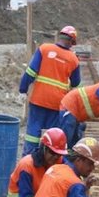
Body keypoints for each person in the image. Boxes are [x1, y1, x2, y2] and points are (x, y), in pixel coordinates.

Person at [19, 26, 81, 155]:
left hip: (38, 99)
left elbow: (30, 72)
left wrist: (23, 89)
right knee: (51, 131)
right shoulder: (73, 59)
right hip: (57, 103)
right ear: (71, 42)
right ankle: (48, 158)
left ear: (60, 37)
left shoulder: (44, 49)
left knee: (33, 131)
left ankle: (29, 157)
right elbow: (76, 82)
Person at [4, 128, 67, 197]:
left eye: (59, 154)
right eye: (52, 153)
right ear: (43, 148)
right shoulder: (27, 166)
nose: (56, 157)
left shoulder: (58, 161)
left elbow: (72, 173)